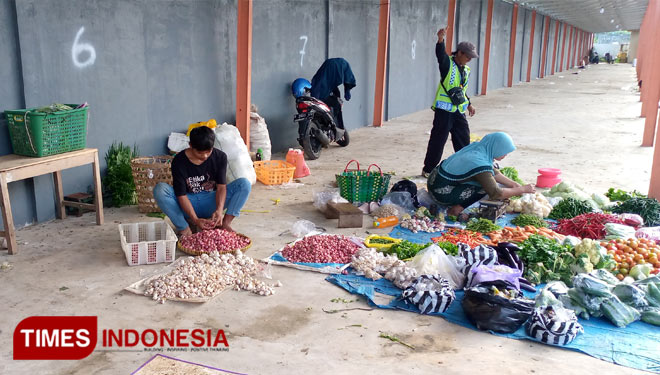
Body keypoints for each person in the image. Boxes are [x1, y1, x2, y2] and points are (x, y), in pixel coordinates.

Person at [153, 126, 251, 236]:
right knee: (160, 190)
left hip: (210, 200)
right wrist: (195, 219)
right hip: (188, 203)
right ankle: (184, 228)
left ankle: (225, 223)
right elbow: (181, 195)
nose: (204, 156)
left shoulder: (220, 157)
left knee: (244, 184)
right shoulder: (179, 161)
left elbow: (221, 187)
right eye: (200, 153)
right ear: (190, 146)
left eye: (208, 152)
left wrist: (219, 210)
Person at [427, 132, 536, 217]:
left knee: (488, 177)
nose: (505, 155)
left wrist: (513, 184)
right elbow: (496, 193)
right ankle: (458, 207)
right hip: (441, 192)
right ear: (497, 147)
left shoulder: (480, 148)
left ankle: (457, 204)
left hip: (435, 182)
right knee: (485, 188)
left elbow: (491, 170)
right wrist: (522, 190)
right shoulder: (479, 162)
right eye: (504, 151)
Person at [422, 27, 478, 178]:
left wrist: (469, 104)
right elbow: (440, 56)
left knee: (463, 140)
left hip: (458, 110)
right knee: (438, 141)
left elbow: (461, 89)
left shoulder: (465, 69)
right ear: (459, 53)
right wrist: (440, 40)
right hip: (444, 110)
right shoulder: (448, 65)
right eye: (468, 56)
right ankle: (428, 169)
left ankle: (466, 168)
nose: (470, 59)